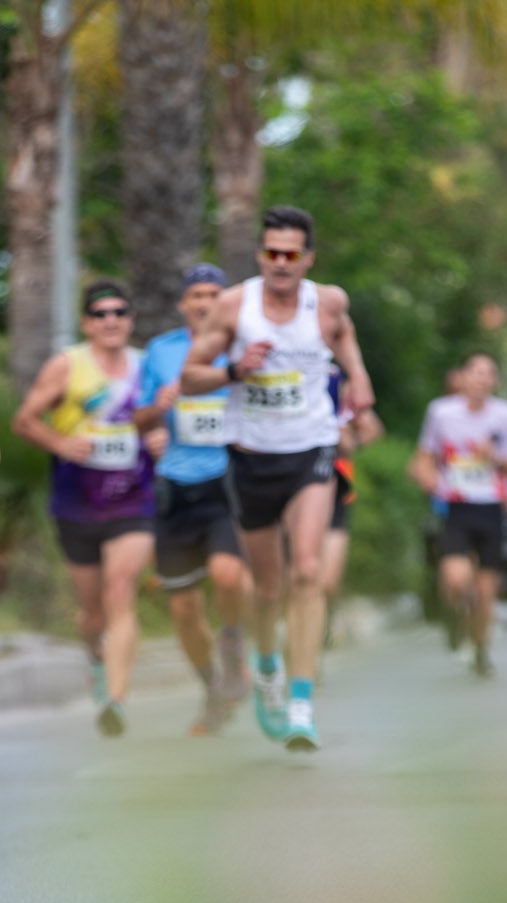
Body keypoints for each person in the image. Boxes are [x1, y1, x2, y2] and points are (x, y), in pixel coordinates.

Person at [182, 205, 376, 752]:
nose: (282, 264)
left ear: (308, 259)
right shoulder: (234, 306)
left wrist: (358, 378)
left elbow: (345, 336)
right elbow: (191, 378)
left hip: (310, 450)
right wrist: (235, 371)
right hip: (250, 458)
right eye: (272, 253)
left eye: (292, 255)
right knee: (266, 587)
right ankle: (265, 667)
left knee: (307, 571)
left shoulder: (328, 301)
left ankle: (301, 701)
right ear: (260, 255)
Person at [13, 280, 153, 737]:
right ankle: (96, 657)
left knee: (120, 588)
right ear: (86, 323)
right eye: (100, 314)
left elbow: (163, 418)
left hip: (135, 497)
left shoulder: (147, 367)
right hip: (77, 502)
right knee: (93, 613)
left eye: (119, 312)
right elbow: (24, 420)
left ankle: (115, 698)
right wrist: (62, 444)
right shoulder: (67, 366)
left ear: (130, 320)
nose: (111, 321)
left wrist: (162, 438)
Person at [132, 263, 251, 735]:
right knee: (183, 608)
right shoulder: (161, 352)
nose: (204, 302)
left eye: (213, 294)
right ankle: (212, 687)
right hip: (174, 487)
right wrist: (155, 413)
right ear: (184, 303)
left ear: (226, 303)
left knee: (227, 573)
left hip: (226, 480)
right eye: (196, 294)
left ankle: (235, 642)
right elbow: (138, 420)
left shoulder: (241, 349)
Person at [408, 354, 507, 677]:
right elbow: (424, 455)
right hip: (457, 506)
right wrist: (427, 477)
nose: (481, 380)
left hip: (492, 507)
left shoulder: (506, 416)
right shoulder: (442, 412)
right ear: (463, 378)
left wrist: (495, 457)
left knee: (486, 593)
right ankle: (456, 618)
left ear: (495, 382)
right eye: (475, 373)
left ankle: (480, 647)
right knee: (455, 580)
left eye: (488, 374)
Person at [320, 373, 384, 648]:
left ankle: (320, 630)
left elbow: (373, 431)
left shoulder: (336, 380)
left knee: (328, 581)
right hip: (290, 489)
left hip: (335, 491)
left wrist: (348, 439)